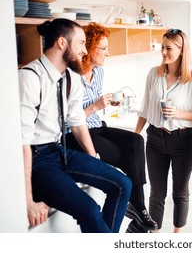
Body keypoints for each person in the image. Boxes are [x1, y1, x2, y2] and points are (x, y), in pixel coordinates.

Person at [18, 18, 132, 233]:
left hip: (59, 151)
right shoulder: (29, 78)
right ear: (62, 43)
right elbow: (21, 143)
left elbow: (78, 121)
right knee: (89, 210)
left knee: (123, 184)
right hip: (36, 160)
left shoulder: (70, 76)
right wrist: (28, 201)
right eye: (81, 43)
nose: (84, 49)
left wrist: (92, 158)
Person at [65, 22, 157, 232]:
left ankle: (138, 207)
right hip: (77, 135)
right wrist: (95, 106)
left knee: (136, 140)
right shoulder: (70, 77)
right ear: (88, 48)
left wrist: (105, 103)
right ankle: (136, 210)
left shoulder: (99, 73)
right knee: (126, 156)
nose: (108, 53)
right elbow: (67, 120)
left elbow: (93, 106)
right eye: (103, 48)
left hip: (97, 126)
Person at [135, 28, 192, 233]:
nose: (164, 52)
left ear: (182, 50)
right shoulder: (154, 74)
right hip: (155, 139)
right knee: (156, 193)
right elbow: (145, 107)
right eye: (162, 47)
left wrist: (178, 113)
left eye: (169, 48)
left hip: (183, 141)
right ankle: (155, 235)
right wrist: (135, 134)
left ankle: (177, 237)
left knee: (180, 193)